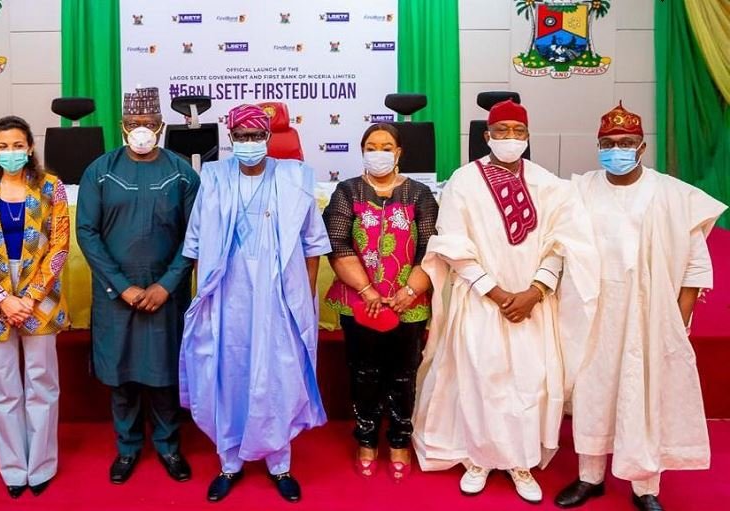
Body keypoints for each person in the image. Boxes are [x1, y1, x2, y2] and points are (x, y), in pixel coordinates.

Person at [412, 100, 600, 503]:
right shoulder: (463, 181)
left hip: (533, 301)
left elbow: (563, 243)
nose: (511, 138)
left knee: (529, 380)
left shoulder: (550, 184)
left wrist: (535, 291)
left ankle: (520, 461)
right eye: (502, 131)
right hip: (481, 298)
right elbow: (453, 243)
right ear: (486, 136)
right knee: (480, 376)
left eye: (518, 131)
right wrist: (495, 293)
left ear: (528, 136)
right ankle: (479, 458)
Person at [554, 103, 727, 511]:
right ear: (598, 146)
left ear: (642, 146)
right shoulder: (580, 190)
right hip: (593, 307)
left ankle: (646, 486)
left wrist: (678, 318)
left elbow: (696, 264)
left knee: (644, 395)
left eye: (627, 143)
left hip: (650, 311)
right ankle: (589, 477)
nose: (618, 149)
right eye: (610, 144)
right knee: (594, 392)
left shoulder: (671, 193)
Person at [179, 104, 331, 503]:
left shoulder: (295, 177)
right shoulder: (212, 178)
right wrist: (203, 296)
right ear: (231, 139)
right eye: (241, 137)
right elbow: (195, 241)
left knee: (276, 374)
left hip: (279, 296)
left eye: (256, 136)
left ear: (268, 138)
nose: (249, 144)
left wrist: (304, 295)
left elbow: (313, 243)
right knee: (230, 372)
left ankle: (280, 463)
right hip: (227, 294)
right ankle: (229, 462)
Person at [76, 87, 199, 485]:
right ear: (122, 127)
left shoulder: (182, 173)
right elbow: (87, 232)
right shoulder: (101, 170)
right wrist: (120, 286)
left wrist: (166, 285)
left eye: (148, 124)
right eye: (133, 124)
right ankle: (127, 448)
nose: (141, 131)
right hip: (116, 296)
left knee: (164, 374)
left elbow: (195, 237)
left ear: (161, 126)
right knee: (122, 374)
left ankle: (168, 447)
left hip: (166, 294)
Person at [323, 123, 438, 480]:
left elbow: (432, 250)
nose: (379, 152)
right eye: (371, 146)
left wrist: (408, 292)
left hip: (410, 302)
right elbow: (338, 244)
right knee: (364, 373)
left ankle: (400, 439)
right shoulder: (347, 191)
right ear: (362, 151)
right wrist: (369, 292)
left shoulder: (420, 195)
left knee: (404, 375)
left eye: (386, 146)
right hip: (359, 301)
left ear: (399, 152)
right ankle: (367, 439)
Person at [0, 116, 70, 498]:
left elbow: (59, 245)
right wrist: (2, 298)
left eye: (18, 145)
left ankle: (40, 466)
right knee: (3, 386)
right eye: (3, 146)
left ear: (30, 148)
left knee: (42, 383)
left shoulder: (50, 187)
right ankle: (12, 468)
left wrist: (29, 298)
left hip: (38, 296)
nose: (11, 152)